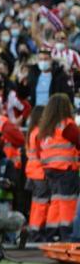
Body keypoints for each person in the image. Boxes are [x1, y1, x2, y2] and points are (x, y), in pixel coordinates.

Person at [37, 93, 80, 242]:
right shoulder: (67, 125)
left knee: (56, 202)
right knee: (67, 202)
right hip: (65, 169)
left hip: (50, 170)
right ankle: (68, 235)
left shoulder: (46, 128)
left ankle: (51, 233)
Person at [25, 106, 48, 242]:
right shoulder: (39, 133)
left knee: (35, 203)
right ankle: (37, 231)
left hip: (32, 172)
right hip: (40, 172)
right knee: (41, 204)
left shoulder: (31, 132)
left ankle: (33, 229)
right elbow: (43, 153)